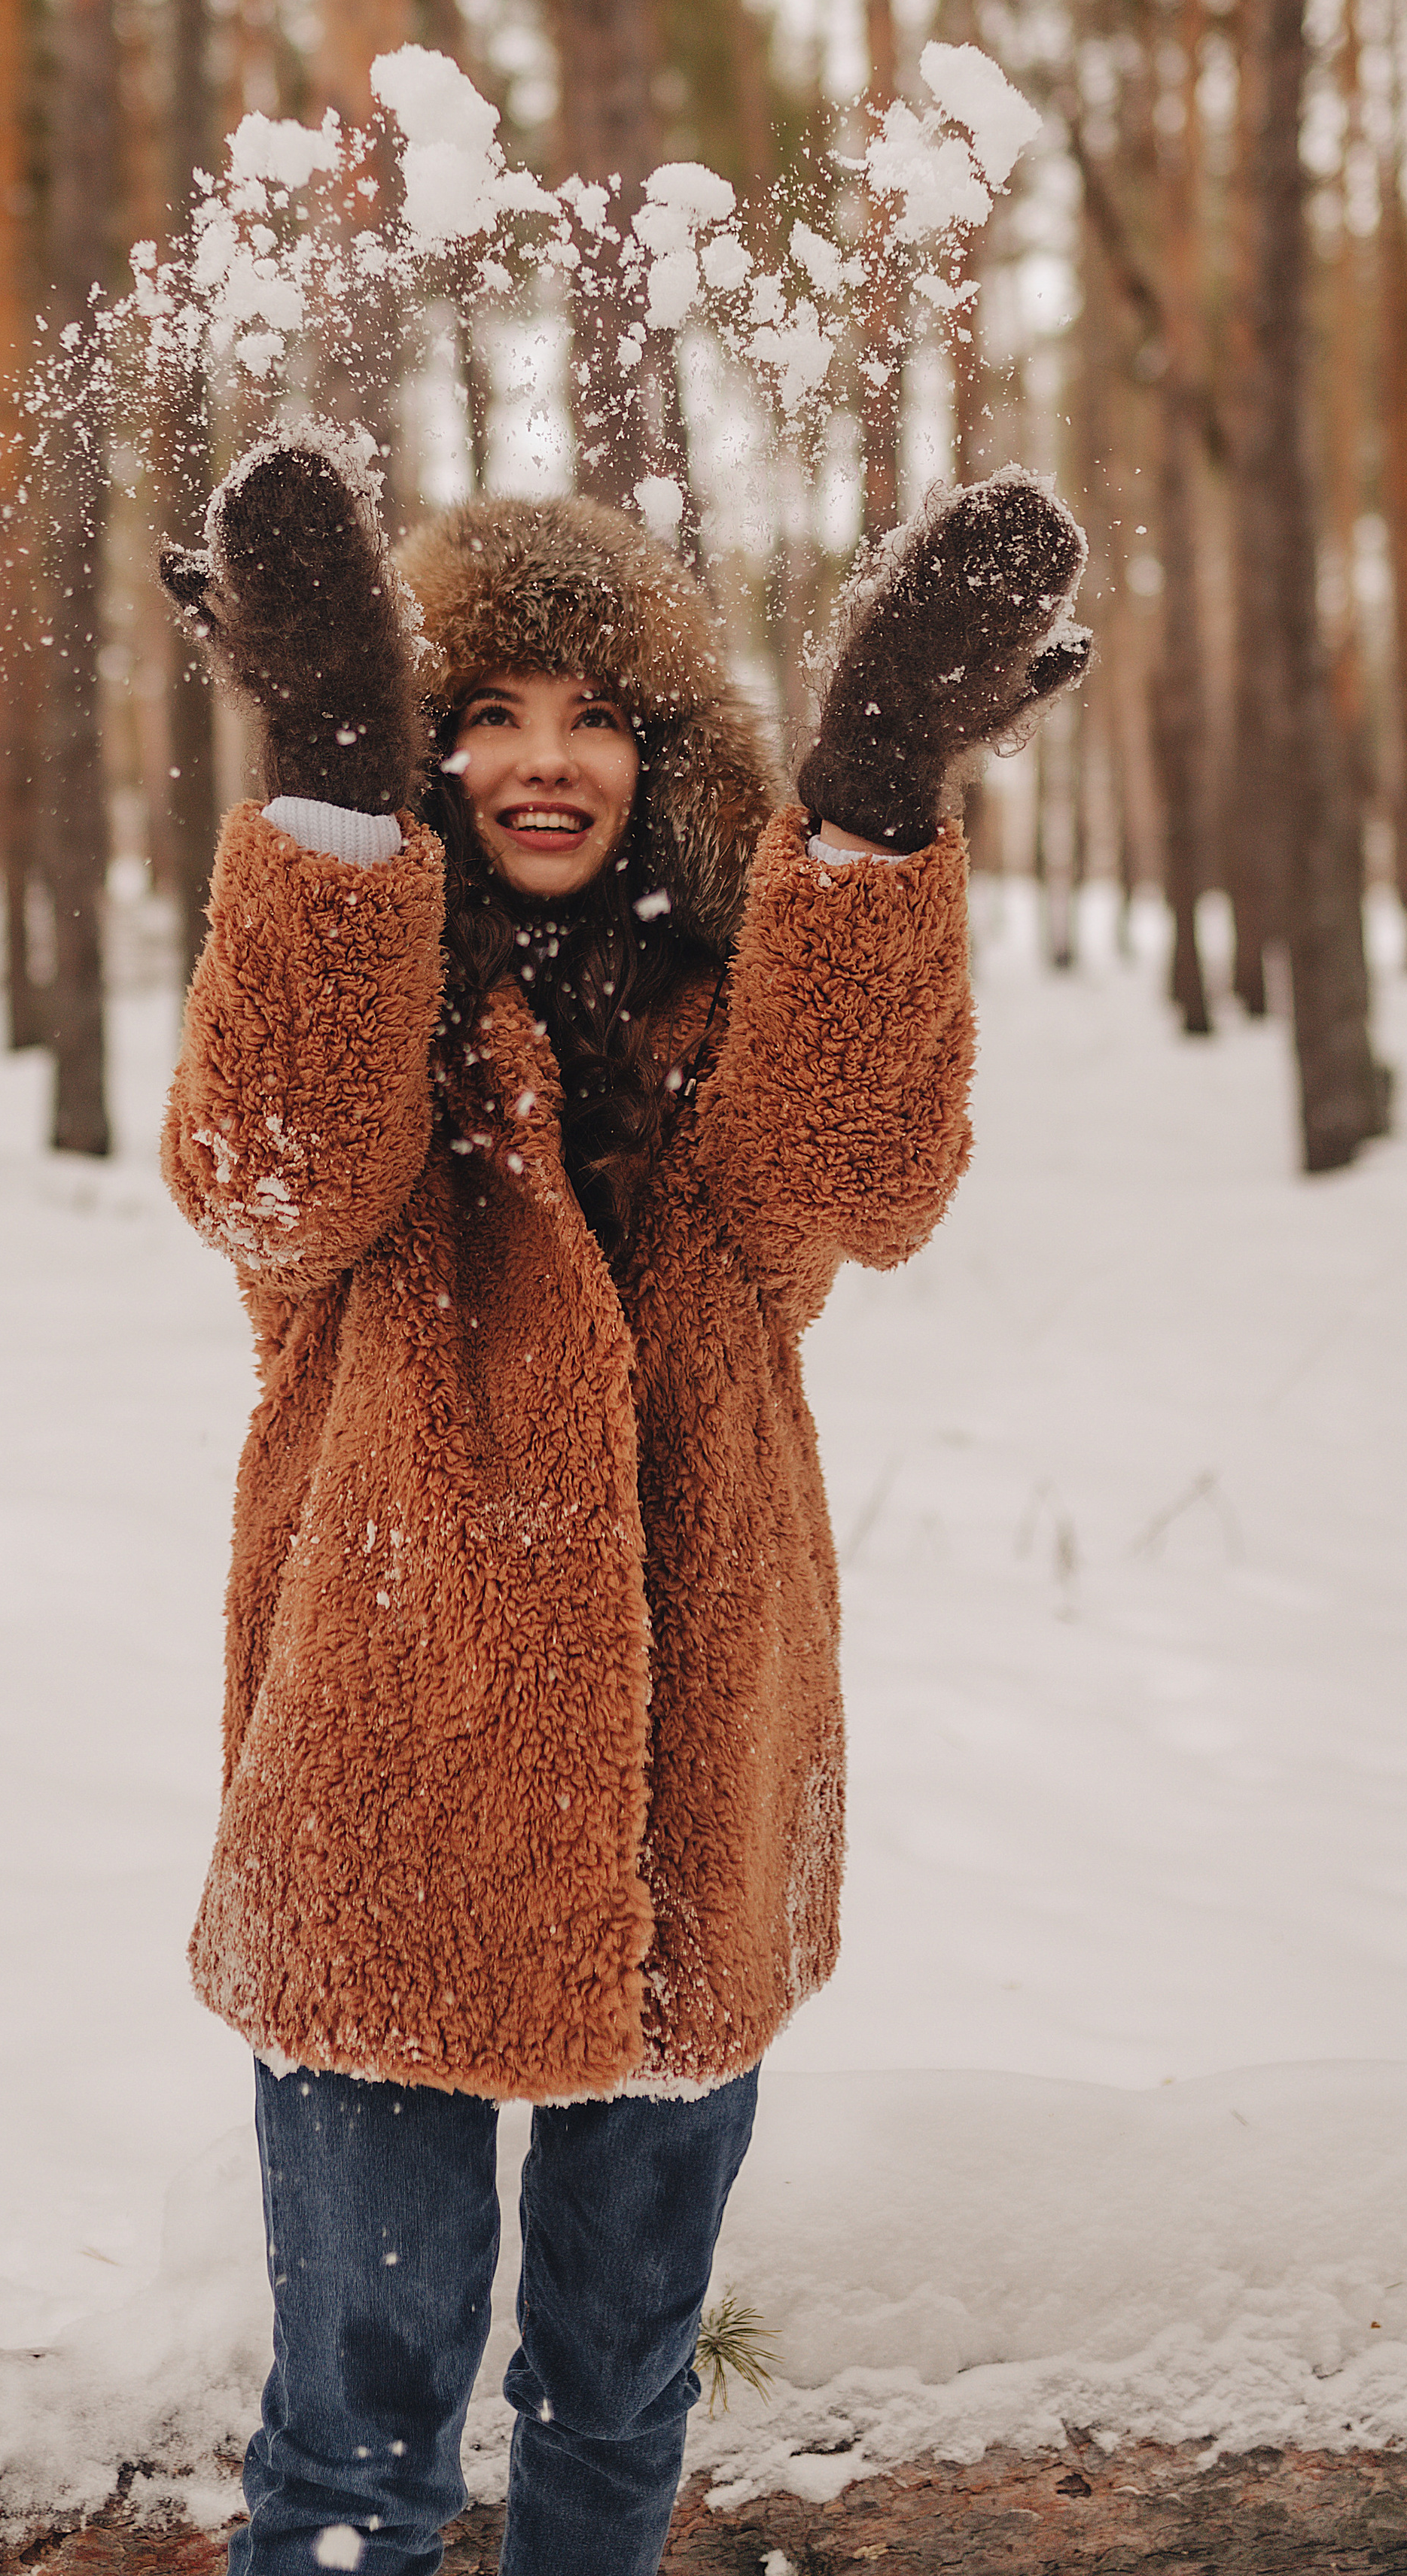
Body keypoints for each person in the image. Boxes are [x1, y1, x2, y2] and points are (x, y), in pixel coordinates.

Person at [157, 431, 1088, 2576]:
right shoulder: (361, 1029)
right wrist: (328, 778)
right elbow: (270, 1170)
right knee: (359, 2443)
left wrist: (867, 805)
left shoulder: (721, 1035)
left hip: (697, 1810)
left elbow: (863, 1174)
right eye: (484, 713)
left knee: (617, 2402)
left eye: (599, 715)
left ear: (669, 748)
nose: (546, 760)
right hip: (379, 1810)